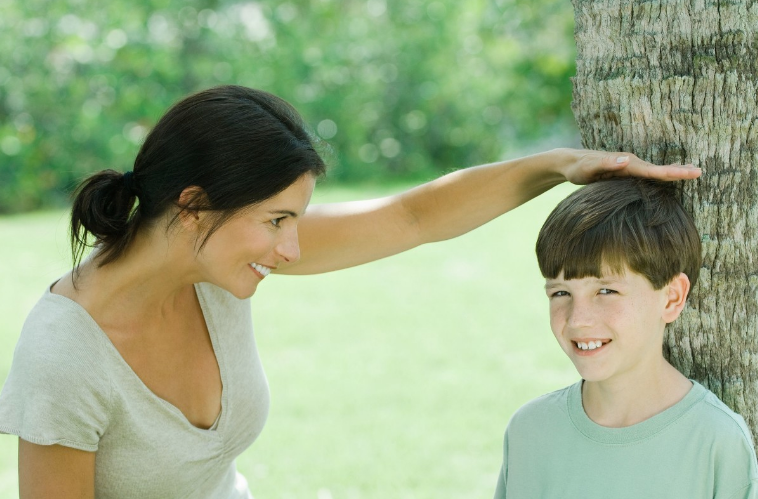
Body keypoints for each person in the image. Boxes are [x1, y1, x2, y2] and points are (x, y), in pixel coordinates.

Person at [0, 85, 701, 499]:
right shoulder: (65, 360)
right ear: (193, 205)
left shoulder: (211, 267)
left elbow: (411, 216)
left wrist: (560, 166)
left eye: (296, 220)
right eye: (276, 221)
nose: (292, 248)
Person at [493, 178, 758, 498]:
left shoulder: (716, 441)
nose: (578, 319)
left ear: (672, 298)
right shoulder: (530, 431)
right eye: (561, 292)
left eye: (606, 290)